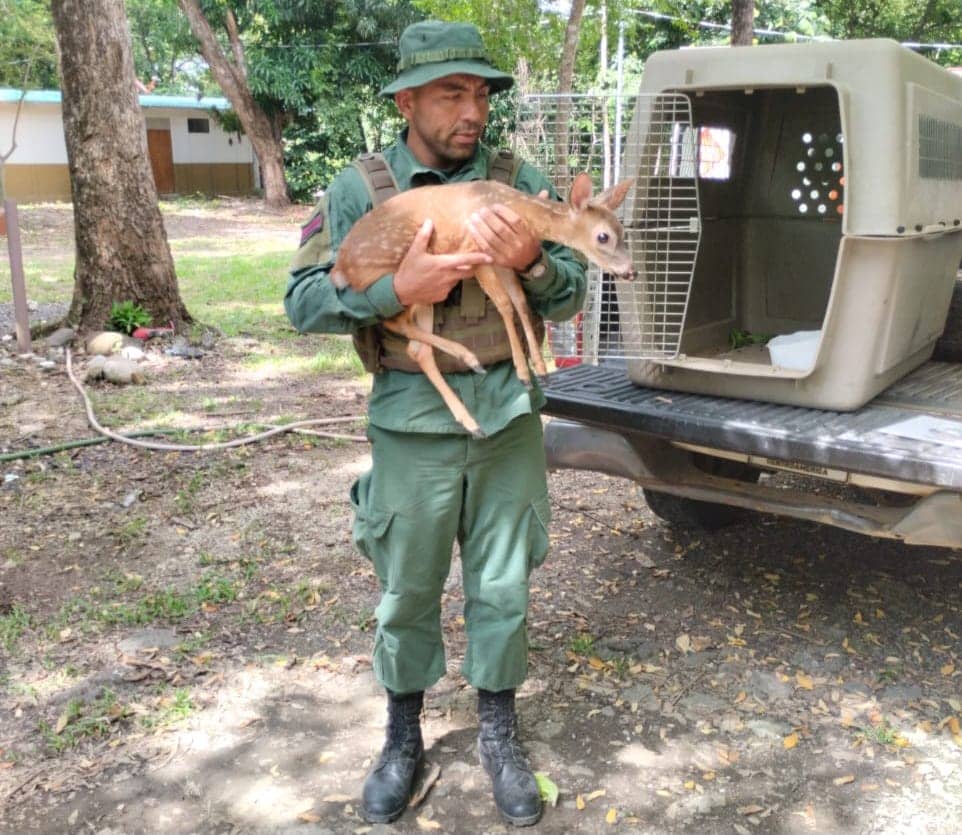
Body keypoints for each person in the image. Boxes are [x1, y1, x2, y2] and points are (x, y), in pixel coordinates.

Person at [284, 20, 586, 827]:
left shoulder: (520, 180)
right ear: (407, 99)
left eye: (481, 92)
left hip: (511, 414)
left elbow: (573, 290)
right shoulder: (364, 187)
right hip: (413, 419)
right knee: (407, 586)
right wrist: (393, 289)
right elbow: (302, 299)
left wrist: (532, 262)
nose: (472, 110)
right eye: (453, 92)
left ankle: (497, 728)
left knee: (504, 580)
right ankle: (402, 733)